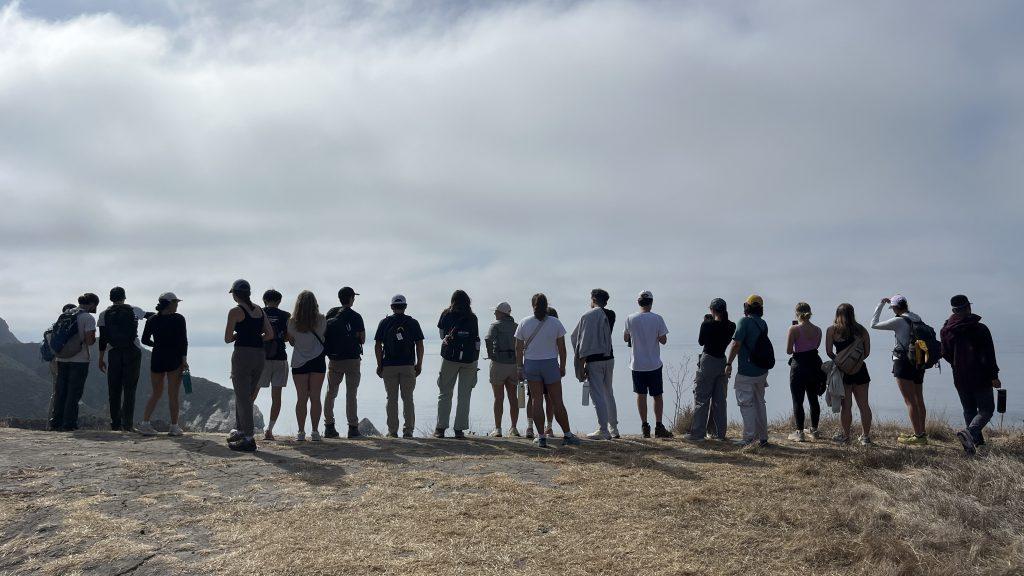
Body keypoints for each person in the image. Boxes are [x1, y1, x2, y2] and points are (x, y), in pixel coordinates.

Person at [514, 294, 580, 448]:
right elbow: (562, 349)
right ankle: (567, 435)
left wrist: (519, 367)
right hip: (550, 364)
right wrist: (562, 366)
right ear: (546, 306)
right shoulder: (555, 322)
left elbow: (518, 348)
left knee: (537, 400)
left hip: (531, 364)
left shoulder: (524, 322)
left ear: (532, 305)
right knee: (557, 401)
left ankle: (541, 437)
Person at [940, 295, 1001, 455]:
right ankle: (970, 433)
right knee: (987, 409)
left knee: (969, 410)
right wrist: (994, 376)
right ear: (968, 308)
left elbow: (945, 354)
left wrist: (957, 364)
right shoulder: (980, 329)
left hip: (960, 376)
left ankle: (976, 444)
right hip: (981, 376)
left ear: (953, 310)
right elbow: (989, 355)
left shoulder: (946, 330)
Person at [224, 279, 274, 452]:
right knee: (247, 394)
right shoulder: (260, 310)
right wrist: (254, 336)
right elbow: (269, 334)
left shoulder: (235, 311)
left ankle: (248, 438)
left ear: (236, 294)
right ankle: (240, 430)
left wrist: (240, 335)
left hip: (242, 355)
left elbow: (227, 338)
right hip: (259, 355)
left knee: (242, 396)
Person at [871, 294, 928, 445]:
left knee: (909, 401)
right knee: (918, 398)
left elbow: (874, 324)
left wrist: (880, 305)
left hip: (903, 361)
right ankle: (922, 433)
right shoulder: (916, 317)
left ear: (895, 308)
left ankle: (918, 436)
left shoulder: (898, 321)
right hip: (919, 360)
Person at [97, 287, 149, 432]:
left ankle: (115, 424)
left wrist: (101, 358)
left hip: (113, 352)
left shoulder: (104, 314)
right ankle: (128, 425)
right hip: (132, 351)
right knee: (130, 389)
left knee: (114, 390)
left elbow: (102, 339)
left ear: (110, 298)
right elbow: (150, 316)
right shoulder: (134, 310)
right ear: (124, 297)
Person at [137, 293, 188, 436]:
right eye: (176, 302)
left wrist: (158, 344)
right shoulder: (178, 319)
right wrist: (184, 360)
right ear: (169, 303)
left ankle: (145, 424)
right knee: (173, 394)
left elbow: (145, 340)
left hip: (157, 357)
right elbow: (183, 340)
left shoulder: (152, 319)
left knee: (156, 393)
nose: (177, 304)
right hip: (174, 358)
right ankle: (174, 427)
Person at [571, 288, 619, 440]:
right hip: (609, 358)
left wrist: (581, 364)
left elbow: (580, 339)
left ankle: (603, 429)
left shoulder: (588, 316)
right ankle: (614, 428)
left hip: (594, 360)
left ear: (593, 299)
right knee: (608, 393)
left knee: (597, 395)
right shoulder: (611, 314)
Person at [374, 295, 425, 438]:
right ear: (405, 306)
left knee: (391, 399)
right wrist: (419, 364)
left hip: (389, 366)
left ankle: (392, 431)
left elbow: (377, 345)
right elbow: (419, 345)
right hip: (408, 366)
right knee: (408, 398)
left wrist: (379, 365)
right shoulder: (413, 322)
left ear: (391, 307)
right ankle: (408, 431)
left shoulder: (384, 323)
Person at [624, 290, 672, 439]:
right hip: (654, 364)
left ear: (638, 302)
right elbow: (663, 340)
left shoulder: (630, 318)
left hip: (637, 364)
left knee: (641, 395)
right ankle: (658, 426)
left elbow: (626, 338)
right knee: (657, 395)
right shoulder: (657, 318)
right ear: (651, 302)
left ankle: (645, 426)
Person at [726, 295, 772, 447]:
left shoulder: (743, 321)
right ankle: (763, 437)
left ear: (747, 306)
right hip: (762, 371)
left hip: (747, 371)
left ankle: (749, 438)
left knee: (746, 404)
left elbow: (736, 344)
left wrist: (728, 363)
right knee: (760, 403)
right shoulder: (763, 323)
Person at [50, 293, 99, 432]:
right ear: (92, 304)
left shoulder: (66, 314)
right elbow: (90, 341)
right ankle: (69, 423)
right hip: (79, 360)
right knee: (74, 392)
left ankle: (56, 422)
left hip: (61, 358)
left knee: (61, 391)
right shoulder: (87, 317)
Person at [434, 290, 481, 439]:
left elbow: (442, 335)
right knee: (464, 396)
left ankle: (440, 429)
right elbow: (476, 340)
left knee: (445, 393)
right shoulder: (472, 318)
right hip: (469, 360)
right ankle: (459, 430)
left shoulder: (446, 314)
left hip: (450, 358)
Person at [687, 298, 735, 441]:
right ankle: (719, 433)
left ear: (712, 310)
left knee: (702, 398)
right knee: (720, 400)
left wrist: (707, 322)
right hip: (722, 361)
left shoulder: (707, 325)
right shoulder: (731, 326)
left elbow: (701, 341)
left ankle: (698, 434)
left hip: (708, 361)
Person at [825, 303, 873, 445]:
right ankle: (865, 437)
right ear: (852, 314)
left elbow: (828, 351)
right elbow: (867, 352)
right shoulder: (862, 330)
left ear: (837, 314)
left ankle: (846, 437)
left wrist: (841, 362)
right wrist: (855, 363)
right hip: (861, 371)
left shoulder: (832, 330)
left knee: (846, 406)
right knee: (864, 405)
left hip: (842, 372)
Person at [323, 287, 365, 439]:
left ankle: (329, 427)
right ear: (351, 298)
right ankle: (353, 428)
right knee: (351, 394)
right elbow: (363, 339)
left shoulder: (331, 313)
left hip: (334, 359)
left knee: (331, 392)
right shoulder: (356, 316)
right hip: (352, 359)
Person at [287, 290, 327, 442]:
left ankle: (301, 432)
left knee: (301, 398)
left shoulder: (292, 322)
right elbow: (323, 335)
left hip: (298, 362)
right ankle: (315, 432)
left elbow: (291, 341)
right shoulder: (322, 319)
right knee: (315, 397)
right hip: (318, 360)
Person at [785, 302, 824, 442]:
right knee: (813, 399)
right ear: (810, 312)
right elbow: (816, 346)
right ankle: (814, 430)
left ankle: (800, 432)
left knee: (798, 399)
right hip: (814, 364)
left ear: (796, 313)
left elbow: (789, 351)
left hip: (799, 365)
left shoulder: (793, 329)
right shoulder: (818, 330)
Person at [254, 289, 289, 441]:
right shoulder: (286, 315)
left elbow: (255, 334)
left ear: (264, 299)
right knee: (277, 396)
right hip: (280, 357)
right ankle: (269, 430)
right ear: (279, 301)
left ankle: (244, 425)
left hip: (262, 358)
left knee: (253, 392)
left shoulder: (259, 313)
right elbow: (288, 337)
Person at [485, 302, 520, 437]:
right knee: (513, 398)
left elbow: (488, 339)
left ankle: (498, 429)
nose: (494, 313)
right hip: (513, 364)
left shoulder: (495, 325)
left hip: (499, 363)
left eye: (496, 311)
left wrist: (491, 355)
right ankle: (514, 428)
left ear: (501, 313)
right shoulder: (517, 326)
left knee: (498, 398)